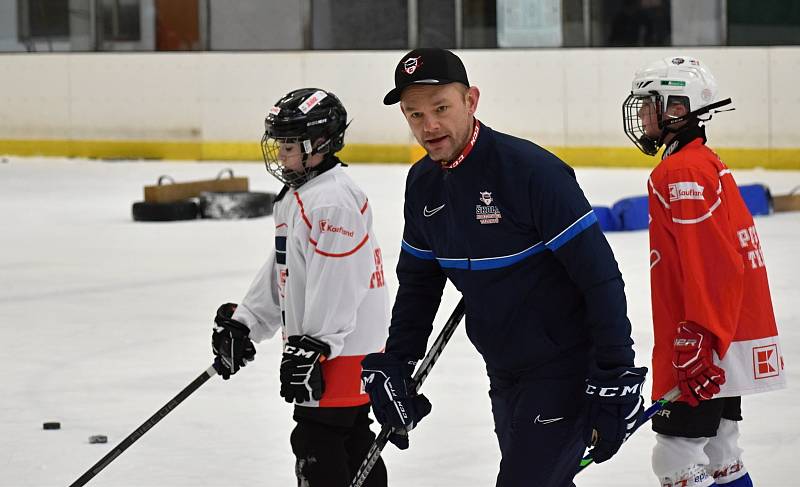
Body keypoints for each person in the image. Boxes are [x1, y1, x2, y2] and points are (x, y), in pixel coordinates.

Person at [359, 47, 648, 487]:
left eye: (441, 108)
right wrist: (398, 360)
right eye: (414, 115)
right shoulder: (422, 186)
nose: (429, 126)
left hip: (566, 366)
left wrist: (616, 376)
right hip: (503, 368)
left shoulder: (531, 172)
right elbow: (419, 283)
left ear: (471, 100)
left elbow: (600, 279)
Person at [210, 88, 389, 487]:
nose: (280, 154)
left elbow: (341, 281)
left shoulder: (331, 201)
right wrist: (247, 322)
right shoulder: (304, 194)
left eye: (290, 146)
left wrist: (317, 345)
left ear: (320, 144)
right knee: (351, 442)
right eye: (279, 144)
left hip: (342, 354)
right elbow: (286, 268)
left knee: (320, 442)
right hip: (340, 350)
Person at [623, 56, 787, 487]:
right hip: (724, 332)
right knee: (721, 450)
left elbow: (711, 261)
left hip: (705, 335)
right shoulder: (700, 160)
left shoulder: (682, 171)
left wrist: (697, 335)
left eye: (648, 104)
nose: (640, 115)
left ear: (678, 108)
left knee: (676, 457)